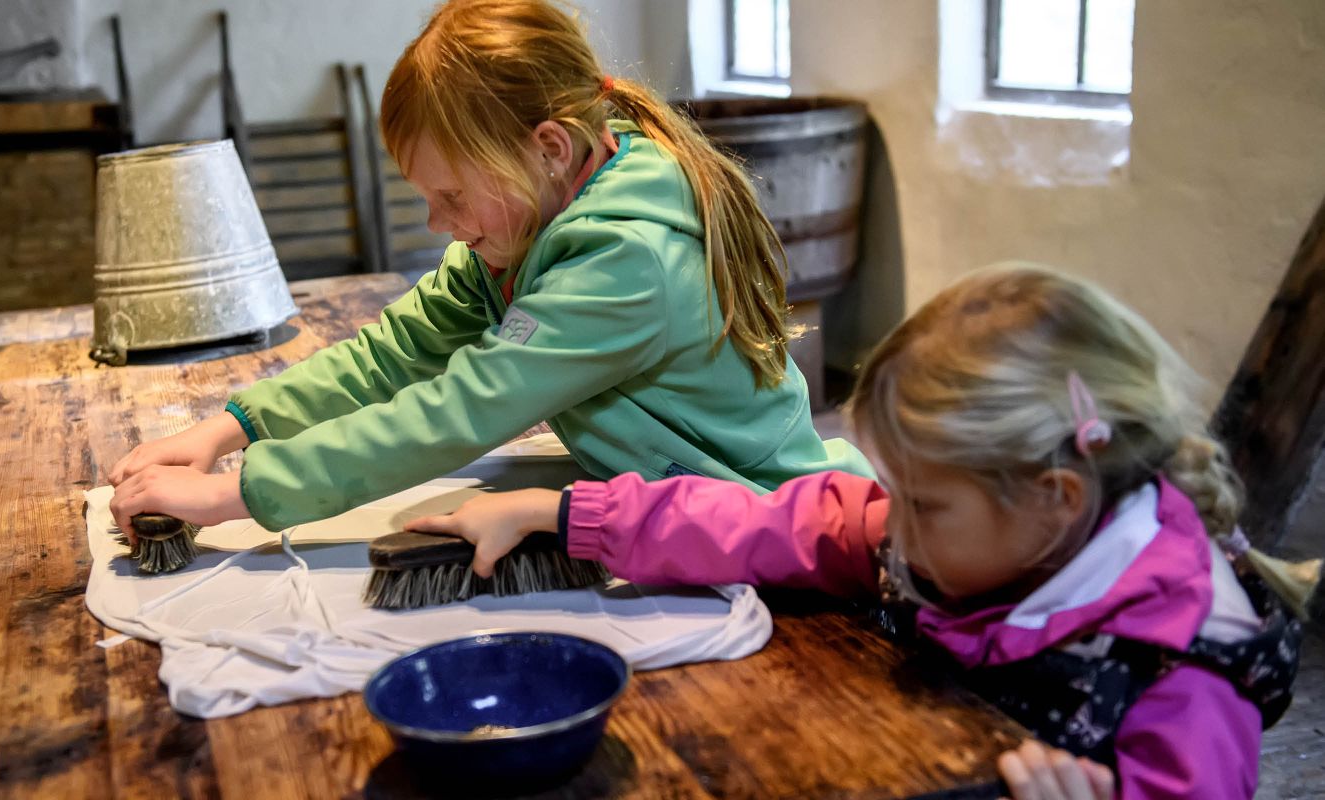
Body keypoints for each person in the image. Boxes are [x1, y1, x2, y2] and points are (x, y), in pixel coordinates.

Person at [408, 264, 1309, 800]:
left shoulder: (1180, 686)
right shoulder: (976, 535)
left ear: (1057, 497)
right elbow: (769, 523)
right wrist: (566, 514)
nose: (894, 528)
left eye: (922, 504)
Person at [107, 0, 869, 534]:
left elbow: (459, 411)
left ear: (547, 149)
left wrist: (236, 494)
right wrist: (232, 428)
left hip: (760, 520)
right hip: (677, 506)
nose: (438, 222)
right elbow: (396, 352)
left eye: (452, 194)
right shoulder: (533, 221)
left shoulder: (626, 262)